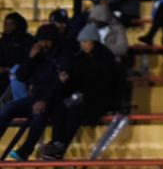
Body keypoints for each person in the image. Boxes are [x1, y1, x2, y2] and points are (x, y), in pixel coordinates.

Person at [40, 23, 119, 160]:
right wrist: (67, 82)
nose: (82, 45)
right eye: (81, 42)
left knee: (76, 110)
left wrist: (82, 96)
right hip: (85, 96)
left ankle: (62, 144)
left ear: (93, 41)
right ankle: (56, 142)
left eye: (85, 42)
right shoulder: (82, 58)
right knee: (61, 106)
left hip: (100, 99)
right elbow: (77, 81)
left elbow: (105, 85)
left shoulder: (105, 58)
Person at [0, 25, 65, 160]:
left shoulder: (61, 56)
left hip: (52, 101)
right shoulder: (37, 57)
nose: (44, 44)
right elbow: (20, 76)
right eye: (41, 41)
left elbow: (58, 85)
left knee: (39, 114)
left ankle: (25, 151)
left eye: (47, 41)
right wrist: (30, 58)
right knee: (8, 108)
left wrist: (44, 100)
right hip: (34, 98)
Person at [0, 13, 33, 97]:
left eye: (11, 24)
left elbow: (28, 59)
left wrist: (9, 69)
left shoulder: (27, 39)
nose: (7, 27)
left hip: (20, 72)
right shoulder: (3, 40)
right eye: (6, 24)